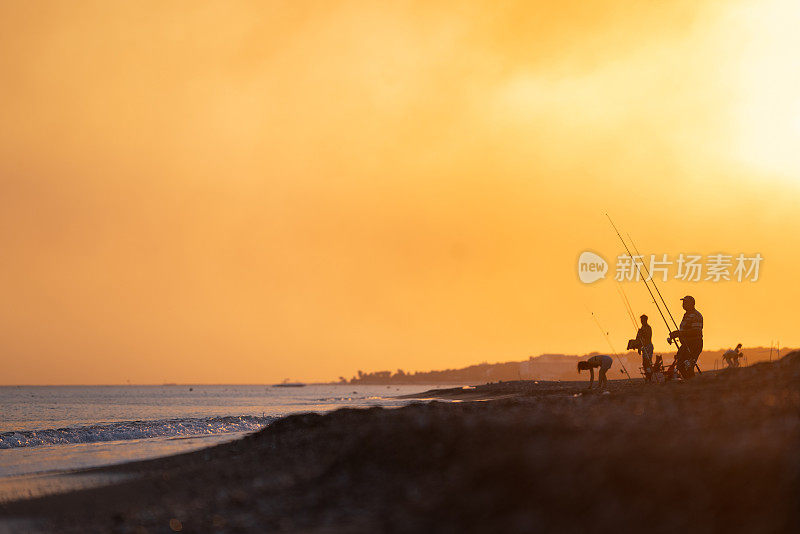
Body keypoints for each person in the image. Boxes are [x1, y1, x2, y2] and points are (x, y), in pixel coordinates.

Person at [669, 295, 703, 379]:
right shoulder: (686, 315)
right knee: (680, 364)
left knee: (688, 365)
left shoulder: (696, 315)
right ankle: (689, 381)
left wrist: (679, 333)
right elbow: (684, 330)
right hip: (686, 344)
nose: (683, 304)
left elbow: (696, 331)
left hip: (694, 344)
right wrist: (676, 333)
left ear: (692, 304)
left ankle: (691, 382)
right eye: (683, 302)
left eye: (686, 302)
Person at [636, 315, 654, 380]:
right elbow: (639, 339)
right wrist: (639, 348)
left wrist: (642, 333)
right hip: (644, 347)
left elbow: (648, 337)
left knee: (648, 362)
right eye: (641, 320)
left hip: (648, 346)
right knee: (644, 363)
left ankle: (650, 376)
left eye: (642, 320)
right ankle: (648, 376)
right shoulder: (642, 328)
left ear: (646, 320)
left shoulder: (648, 328)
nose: (641, 322)